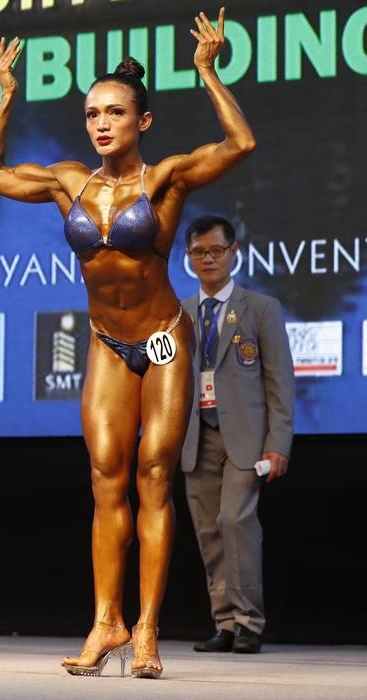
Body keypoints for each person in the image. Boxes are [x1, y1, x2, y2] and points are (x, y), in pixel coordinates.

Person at [0, 10, 255, 677]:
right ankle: (107, 622)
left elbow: (240, 143)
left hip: (161, 342)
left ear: (142, 122)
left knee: (154, 477)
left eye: (116, 113)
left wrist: (208, 71)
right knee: (106, 480)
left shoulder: (168, 179)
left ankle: (149, 628)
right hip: (106, 342)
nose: (101, 123)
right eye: (93, 113)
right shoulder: (71, 180)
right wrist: (7, 98)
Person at [181, 215, 293, 655]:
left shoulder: (261, 308)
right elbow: (162, 375)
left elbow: (279, 382)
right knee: (209, 530)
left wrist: (278, 442)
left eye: (215, 251)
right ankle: (224, 623)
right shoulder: (178, 315)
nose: (207, 259)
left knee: (235, 522)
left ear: (233, 254)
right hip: (195, 436)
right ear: (188, 258)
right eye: (198, 252)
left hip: (246, 438)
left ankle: (249, 622)